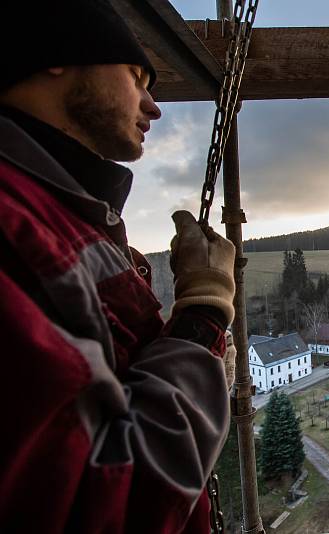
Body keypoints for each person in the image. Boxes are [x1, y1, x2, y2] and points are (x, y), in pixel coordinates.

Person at [0, 1, 236, 532]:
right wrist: (203, 313)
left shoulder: (63, 217)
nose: (154, 107)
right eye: (136, 76)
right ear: (58, 54)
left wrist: (191, 360)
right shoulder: (16, 228)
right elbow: (106, 502)